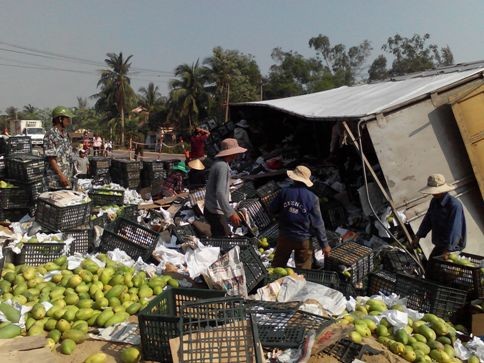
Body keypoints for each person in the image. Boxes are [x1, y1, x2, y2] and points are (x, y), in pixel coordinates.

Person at [270, 165, 331, 269]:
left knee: (277, 266)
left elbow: (272, 209)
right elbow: (318, 223)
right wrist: (324, 245)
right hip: (303, 239)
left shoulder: (284, 192)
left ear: (293, 178)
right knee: (303, 271)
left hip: (285, 236)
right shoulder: (313, 198)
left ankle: (274, 283)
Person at [412, 174, 466, 261]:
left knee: (439, 270)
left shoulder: (454, 205)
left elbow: (455, 229)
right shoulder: (434, 202)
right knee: (431, 267)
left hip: (452, 248)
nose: (434, 193)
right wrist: (418, 236)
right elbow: (428, 220)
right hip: (440, 245)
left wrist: (448, 250)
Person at [204, 138, 247, 237]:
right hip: (215, 210)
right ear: (232, 153)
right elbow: (220, 192)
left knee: (220, 235)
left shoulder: (219, 164)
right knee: (223, 237)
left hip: (211, 207)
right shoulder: (222, 166)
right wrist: (231, 213)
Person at [44, 106, 74, 190]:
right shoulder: (50, 135)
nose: (69, 121)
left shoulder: (66, 135)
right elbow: (51, 158)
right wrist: (61, 175)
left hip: (67, 178)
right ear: (60, 119)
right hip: (55, 180)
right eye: (67, 118)